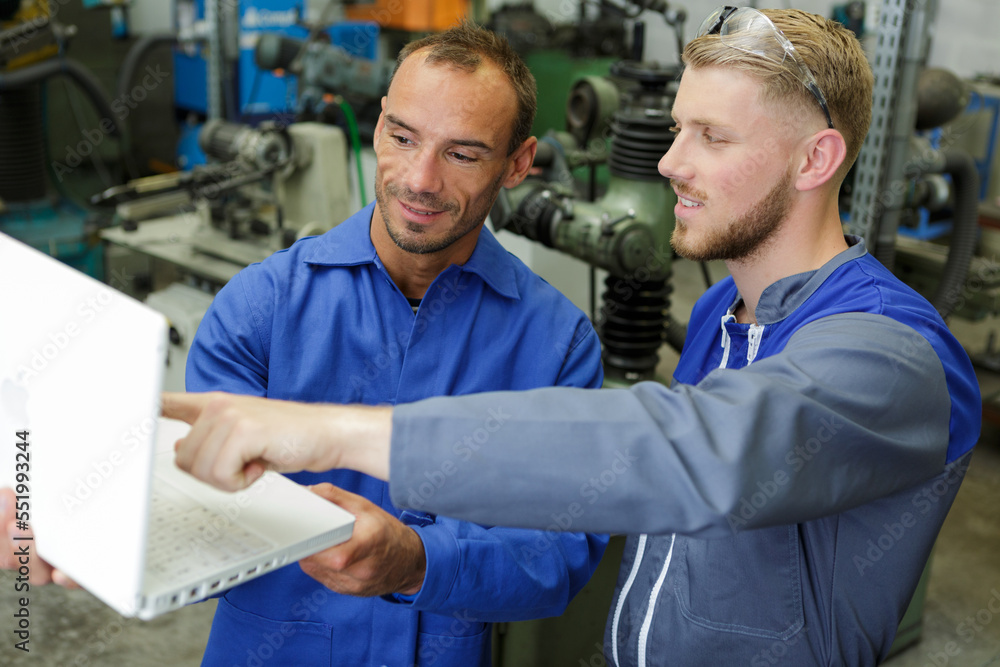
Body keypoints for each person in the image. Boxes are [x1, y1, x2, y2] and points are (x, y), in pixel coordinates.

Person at [163, 7, 981, 667]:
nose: (667, 164)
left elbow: (695, 452)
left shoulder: (892, 353)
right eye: (676, 128)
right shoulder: (720, 320)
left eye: (712, 137)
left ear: (815, 160)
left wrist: (343, 444)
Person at [1, 22, 609, 667]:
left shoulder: (555, 343)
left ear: (519, 163)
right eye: (403, 138)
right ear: (378, 128)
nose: (421, 178)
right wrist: (74, 522)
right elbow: (189, 494)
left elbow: (556, 556)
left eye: (462, 154)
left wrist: (415, 562)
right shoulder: (263, 306)